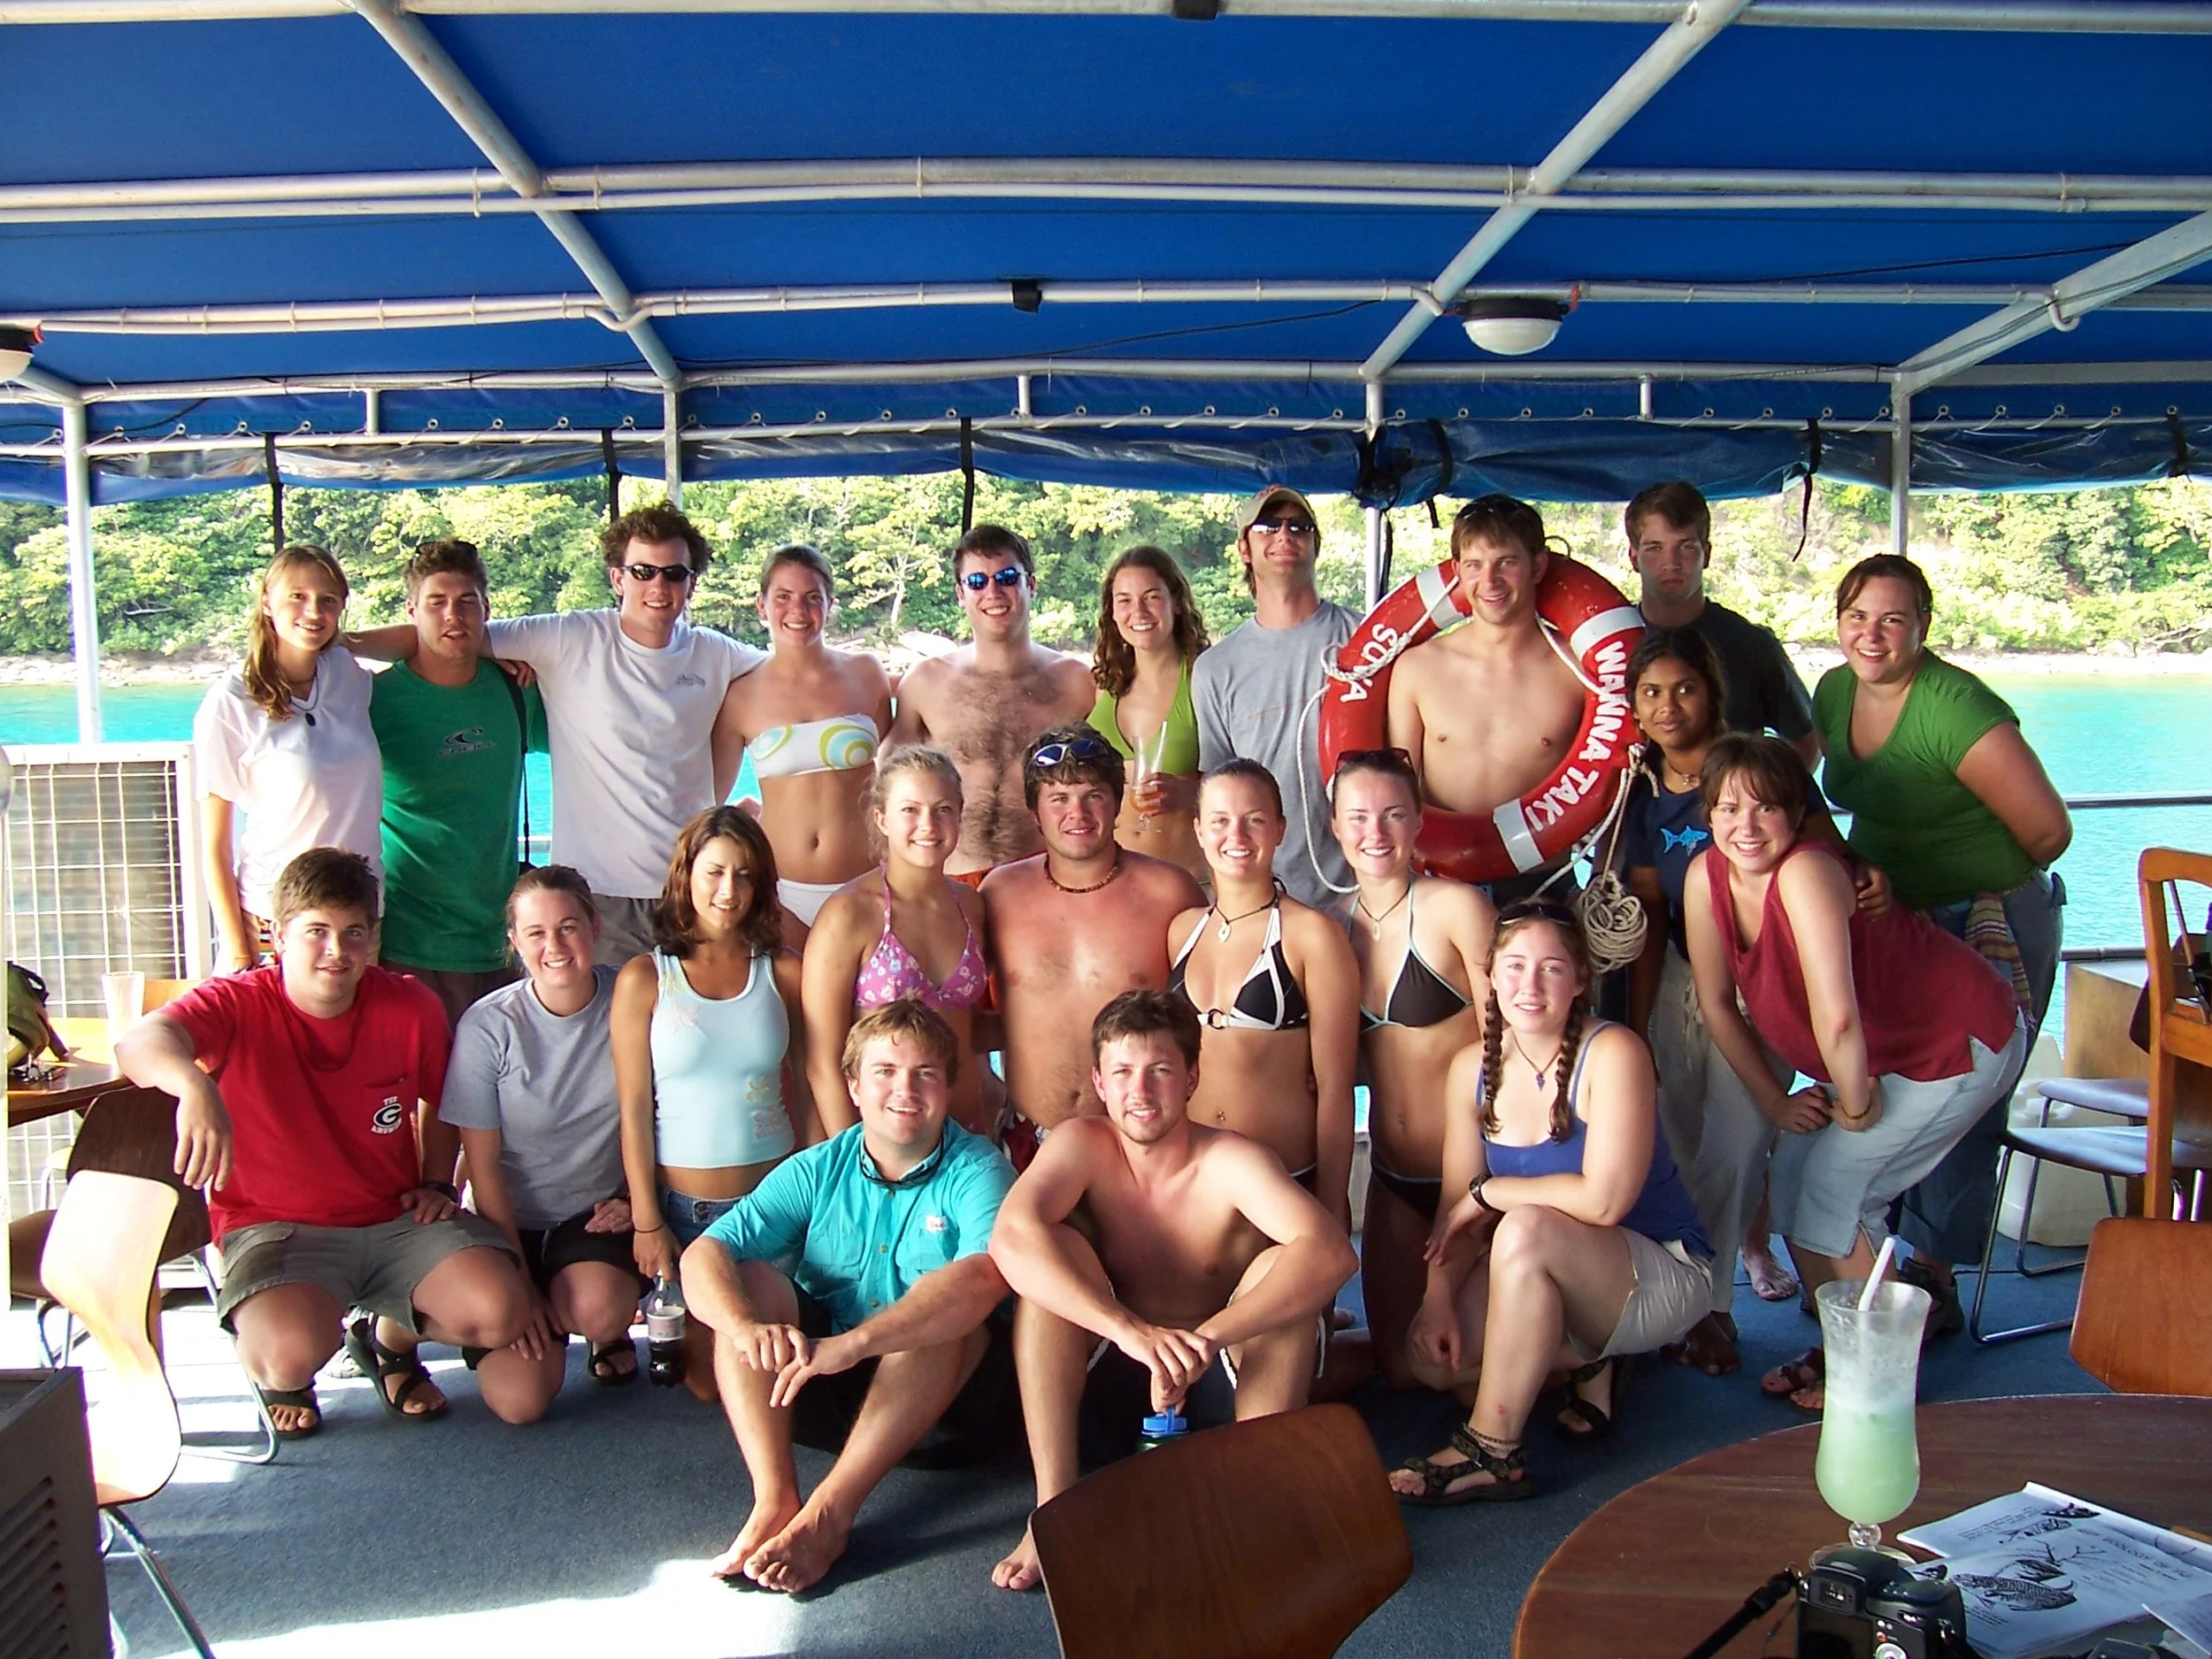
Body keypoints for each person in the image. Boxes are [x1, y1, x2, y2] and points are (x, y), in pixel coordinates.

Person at [115, 848, 530, 1437]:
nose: (337, 950)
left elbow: (441, 1101)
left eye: (353, 932)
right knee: (288, 1351)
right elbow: (138, 1042)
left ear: (372, 938)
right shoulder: (235, 1001)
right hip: (276, 1228)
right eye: (317, 931)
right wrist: (192, 1083)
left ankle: (387, 1339)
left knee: (501, 1310)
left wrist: (438, 1181)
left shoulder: (409, 1003)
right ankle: (290, 1375)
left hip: (394, 1220)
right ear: (279, 934)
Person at [1682, 735, 2027, 1409]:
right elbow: (1718, 1004)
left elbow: (1836, 1016)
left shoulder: (1807, 874)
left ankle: (1878, 1379)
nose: (1745, 825)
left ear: (1795, 813)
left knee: (1841, 1187)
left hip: (1954, 1039)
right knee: (1790, 1177)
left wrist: (1857, 1102)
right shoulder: (1706, 878)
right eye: (1727, 808)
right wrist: (1776, 1104)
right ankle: (1841, 1348)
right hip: (1877, 1055)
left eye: (1765, 808)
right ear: (1709, 814)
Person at [988, 989, 1357, 1593]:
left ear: (1191, 1079)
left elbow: (1332, 1251)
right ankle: (1052, 1512)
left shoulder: (1232, 1159)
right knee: (1050, 1270)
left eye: (1159, 1070)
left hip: (1227, 1382)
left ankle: (1254, 1506)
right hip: (1123, 1371)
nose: (1140, 1091)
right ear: (1098, 1082)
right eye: (1122, 1072)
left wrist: (1205, 1339)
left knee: (1283, 1271)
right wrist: (1130, 1333)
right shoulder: (1080, 1144)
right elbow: (1009, 1238)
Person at [1813, 554, 2070, 1331]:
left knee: (1964, 1105)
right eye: (1858, 616)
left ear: (1923, 626)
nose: (1873, 634)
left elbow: (2049, 832)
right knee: (1898, 1093)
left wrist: (1957, 881)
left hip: (1986, 919)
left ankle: (1935, 1276)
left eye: (1893, 619)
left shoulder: (1957, 709)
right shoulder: (1834, 691)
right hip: (1897, 926)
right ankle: (1879, 1258)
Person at [682, 999, 1014, 1595]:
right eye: (885, 1071)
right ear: (855, 1087)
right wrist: (741, 1327)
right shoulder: (817, 1168)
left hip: (941, 1410)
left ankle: (828, 1517)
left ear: (948, 1088)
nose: (904, 1089)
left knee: (942, 1311)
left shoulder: (979, 1169)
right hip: (820, 1388)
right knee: (749, 1282)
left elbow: (983, 1278)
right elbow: (704, 1254)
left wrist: (858, 1342)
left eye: (925, 1073)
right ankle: (775, 1498)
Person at [1390, 900, 1713, 1503]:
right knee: (1435, 1363)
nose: (1530, 986)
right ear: (1491, 975)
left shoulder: (1614, 1052)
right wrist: (1437, 1300)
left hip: (1661, 1270)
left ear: (1581, 978)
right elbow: (1455, 1208)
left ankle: (1492, 1449)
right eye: (1514, 966)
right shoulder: (1471, 1069)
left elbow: (1604, 1202)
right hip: (1554, 1266)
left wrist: (1492, 1192)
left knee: (1523, 1228)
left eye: (1551, 968)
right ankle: (1591, 1361)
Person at [357, 504, 764, 966]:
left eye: (674, 573)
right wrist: (337, 644)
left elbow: (790, 677)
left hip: (689, 889)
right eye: (643, 571)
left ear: (691, 583)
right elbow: (443, 636)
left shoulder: (716, 653)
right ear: (618, 579)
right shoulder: (569, 636)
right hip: (596, 896)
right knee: (603, 1014)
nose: (658, 585)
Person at [1622, 628, 1794, 1373]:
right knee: (1677, 1138)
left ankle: (1714, 1305)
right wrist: (1637, 1028)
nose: (1669, 706)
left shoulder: (1755, 766)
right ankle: (1684, 1298)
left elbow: (1823, 852)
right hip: (1681, 979)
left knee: (1739, 1141)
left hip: (1762, 981)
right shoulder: (1638, 790)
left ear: (1712, 691)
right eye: (1652, 692)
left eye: (1685, 688)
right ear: (1634, 706)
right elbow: (1651, 913)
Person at [613, 807, 809, 1394]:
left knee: (768, 1371)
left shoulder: (783, 971)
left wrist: (821, 1192)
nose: (729, 890)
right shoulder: (645, 978)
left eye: (745, 875)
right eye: (715, 872)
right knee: (707, 1385)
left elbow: (814, 1083)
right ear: (687, 875)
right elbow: (633, 1109)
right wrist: (647, 1221)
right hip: (684, 1210)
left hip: (774, 1200)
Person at [438, 866, 645, 1421]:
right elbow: (482, 1169)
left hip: (592, 1214)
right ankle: (389, 1334)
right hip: (510, 1220)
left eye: (568, 927)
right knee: (520, 1403)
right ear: (515, 941)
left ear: (595, 926)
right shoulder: (488, 1026)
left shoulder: (631, 996)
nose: (554, 946)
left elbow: (663, 1112)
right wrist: (519, 1286)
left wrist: (636, 1201)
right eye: (536, 933)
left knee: (600, 1310)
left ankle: (603, 1331)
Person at [1329, 748, 1492, 1387]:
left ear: (1419, 820)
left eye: (1393, 814)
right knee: (1401, 1372)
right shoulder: (1332, 928)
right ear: (1335, 825)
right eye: (1358, 816)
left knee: (1457, 1376)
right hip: (1394, 1180)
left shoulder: (1457, 909)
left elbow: (1514, 1047)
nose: (1376, 832)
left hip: (1475, 1177)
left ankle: (1593, 1358)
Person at [981, 726, 1205, 1167]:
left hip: (1142, 1139)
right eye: (1059, 799)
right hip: (1028, 1136)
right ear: (1034, 811)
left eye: (1093, 796)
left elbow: (1210, 1023)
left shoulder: (1170, 893)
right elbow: (960, 1009)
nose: (1077, 813)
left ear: (1118, 802)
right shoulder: (999, 893)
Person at [1169, 761, 1361, 1232]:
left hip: (1284, 1184)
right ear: (1198, 831)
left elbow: (1336, 1088)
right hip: (1195, 1182)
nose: (1236, 835)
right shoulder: (1181, 932)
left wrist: (1332, 1203)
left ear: (1279, 830)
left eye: (1254, 819)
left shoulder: (1312, 935)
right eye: (1219, 820)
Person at [368, 538, 545, 1026]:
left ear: (486, 609)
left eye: (467, 601)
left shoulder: (515, 689)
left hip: (503, 940)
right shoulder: (375, 700)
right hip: (412, 942)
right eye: (436, 602)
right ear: (412, 612)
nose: (453, 615)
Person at [1385, 495, 1588, 902]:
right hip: (1442, 881)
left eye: (1506, 562)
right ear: (1458, 571)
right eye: (1474, 565)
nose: (1490, 581)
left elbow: (1611, 775)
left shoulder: (1577, 669)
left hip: (1543, 883)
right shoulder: (1418, 667)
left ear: (1538, 566)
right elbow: (1393, 792)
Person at [195, 546, 380, 972]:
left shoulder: (344, 673)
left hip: (358, 916)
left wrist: (495, 655)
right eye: (297, 596)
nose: (313, 611)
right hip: (276, 919)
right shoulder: (232, 702)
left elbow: (421, 639)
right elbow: (215, 846)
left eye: (327, 600)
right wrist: (239, 953)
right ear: (266, 601)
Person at [803, 747, 995, 1139]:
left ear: (960, 815)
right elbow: (822, 1060)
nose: (928, 825)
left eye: (943, 810)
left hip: (966, 1135)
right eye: (910, 810)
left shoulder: (970, 905)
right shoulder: (849, 914)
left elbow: (970, 1027)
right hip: (883, 1140)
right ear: (882, 819)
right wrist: (855, 1158)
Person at [887, 524, 1096, 881]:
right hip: (951, 881)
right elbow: (888, 786)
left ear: (1031, 585)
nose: (993, 592)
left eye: (1007, 577)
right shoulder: (925, 682)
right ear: (960, 593)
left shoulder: (1079, 683)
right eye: (977, 582)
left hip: (1045, 880)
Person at [709, 543, 895, 926]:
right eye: (783, 597)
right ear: (762, 606)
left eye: (812, 598)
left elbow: (895, 770)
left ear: (830, 605)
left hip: (867, 880)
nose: (798, 610)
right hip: (779, 888)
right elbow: (710, 797)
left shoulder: (866, 673)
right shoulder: (740, 695)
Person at [1192, 486, 1357, 910]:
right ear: (1244, 548)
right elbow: (1217, 793)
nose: (1285, 535)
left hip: (1368, 894)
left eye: (1299, 526)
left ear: (1316, 545)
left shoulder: (1365, 638)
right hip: (1271, 899)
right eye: (1268, 526)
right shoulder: (1215, 668)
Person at [1625, 480, 1819, 765]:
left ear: (1706, 554)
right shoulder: (1605, 644)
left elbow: (1805, 741)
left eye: (1686, 547)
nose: (1671, 562)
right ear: (1634, 558)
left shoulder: (1752, 645)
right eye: (1655, 548)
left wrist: (1769, 790)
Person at [1085, 545, 1211, 884]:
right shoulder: (1105, 685)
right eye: (1124, 600)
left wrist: (1194, 793)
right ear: (1112, 612)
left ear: (1177, 603)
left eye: (1152, 597)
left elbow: (1250, 775)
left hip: (1189, 884)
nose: (1138, 611)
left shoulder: (1204, 678)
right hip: (1114, 883)